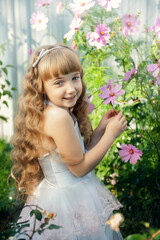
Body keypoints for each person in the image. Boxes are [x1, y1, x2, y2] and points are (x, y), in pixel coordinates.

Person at [11, 43, 127, 240]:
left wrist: (101, 129)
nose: (71, 88)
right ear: (41, 86)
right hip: (67, 200)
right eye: (59, 82)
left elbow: (77, 156)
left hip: (65, 193)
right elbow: (80, 169)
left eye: (75, 78)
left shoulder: (54, 111)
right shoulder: (58, 117)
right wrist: (110, 136)